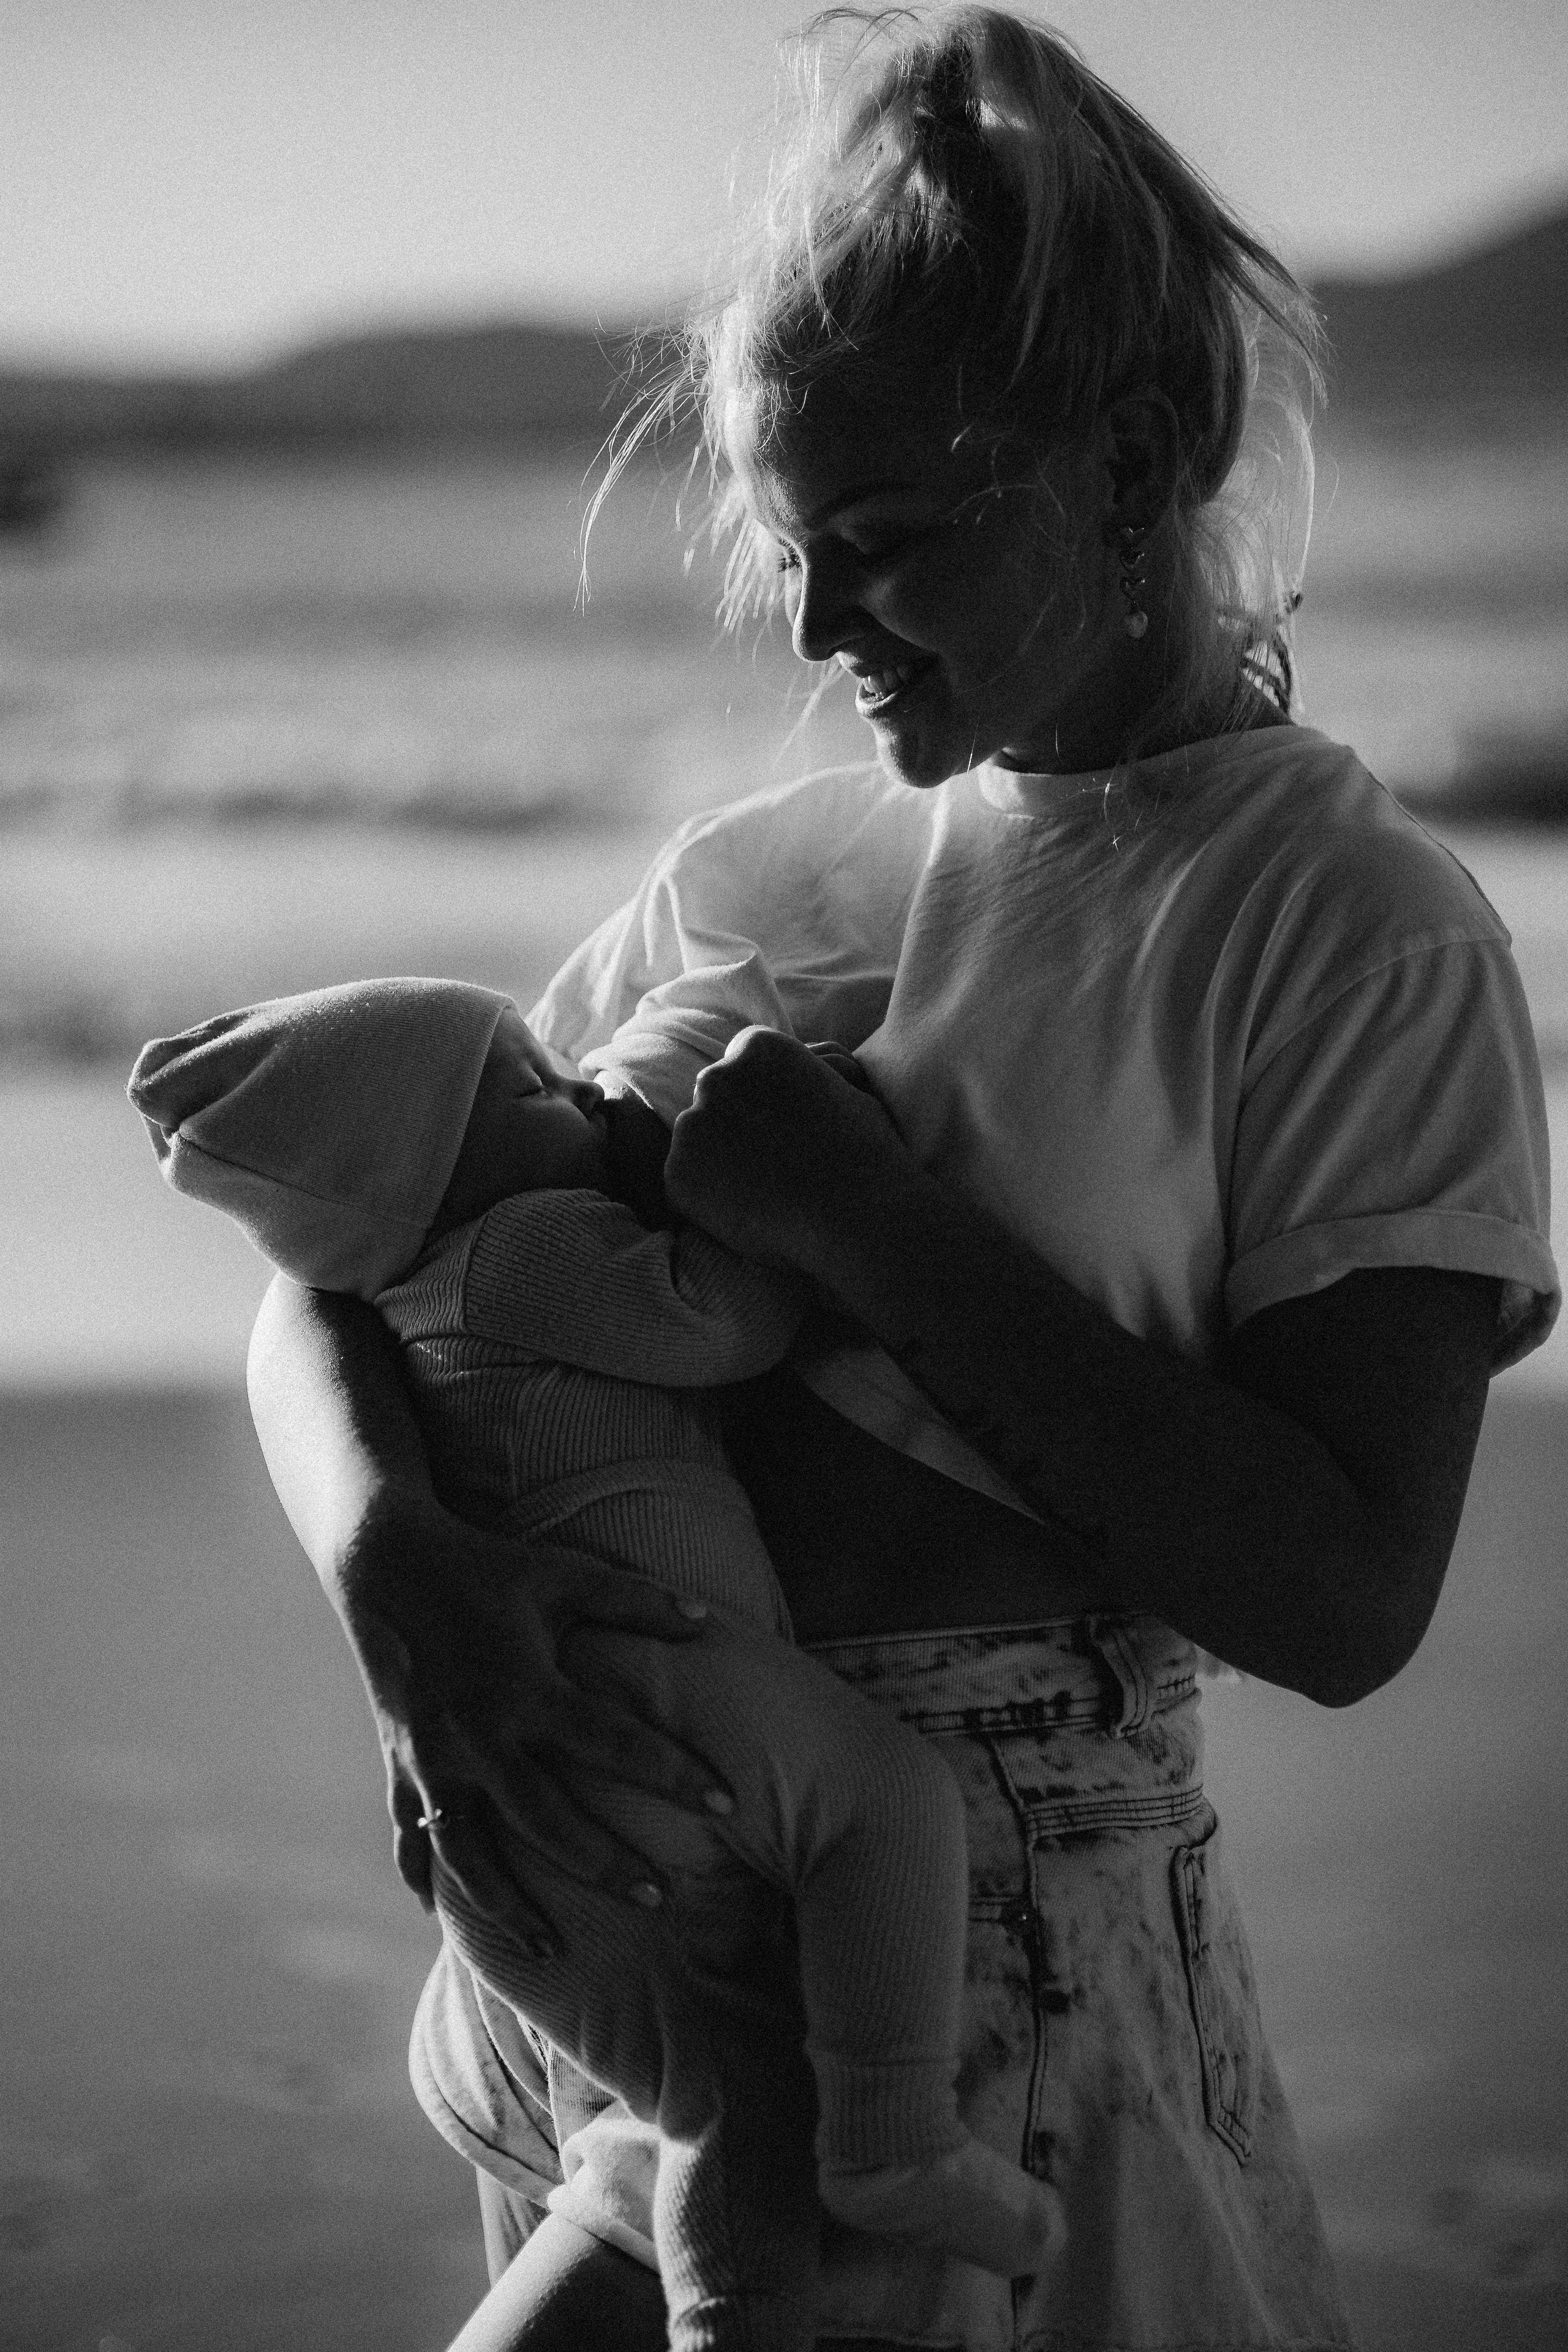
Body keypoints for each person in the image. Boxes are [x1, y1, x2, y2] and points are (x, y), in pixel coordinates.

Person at [245, 10, 1558, 2350]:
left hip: (967, 1993)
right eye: (792, 547)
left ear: (1133, 462)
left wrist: (872, 1231)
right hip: (597, 1945)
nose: (819, 623)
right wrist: (392, 1566)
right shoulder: (763, 876)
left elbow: (1346, 1593)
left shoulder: (1345, 927)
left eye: (887, 543)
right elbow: (341, 1262)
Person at [129, 976, 1065, 2350]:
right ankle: (891, 2132)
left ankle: (732, 2318)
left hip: (527, 1813)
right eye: (527, 1086)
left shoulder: (415, 1293)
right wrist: (804, 1192)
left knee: (715, 2099)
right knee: (883, 1799)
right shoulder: (519, 1248)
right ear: (423, 1180)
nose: (576, 1083)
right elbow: (720, 1322)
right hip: (632, 1678)